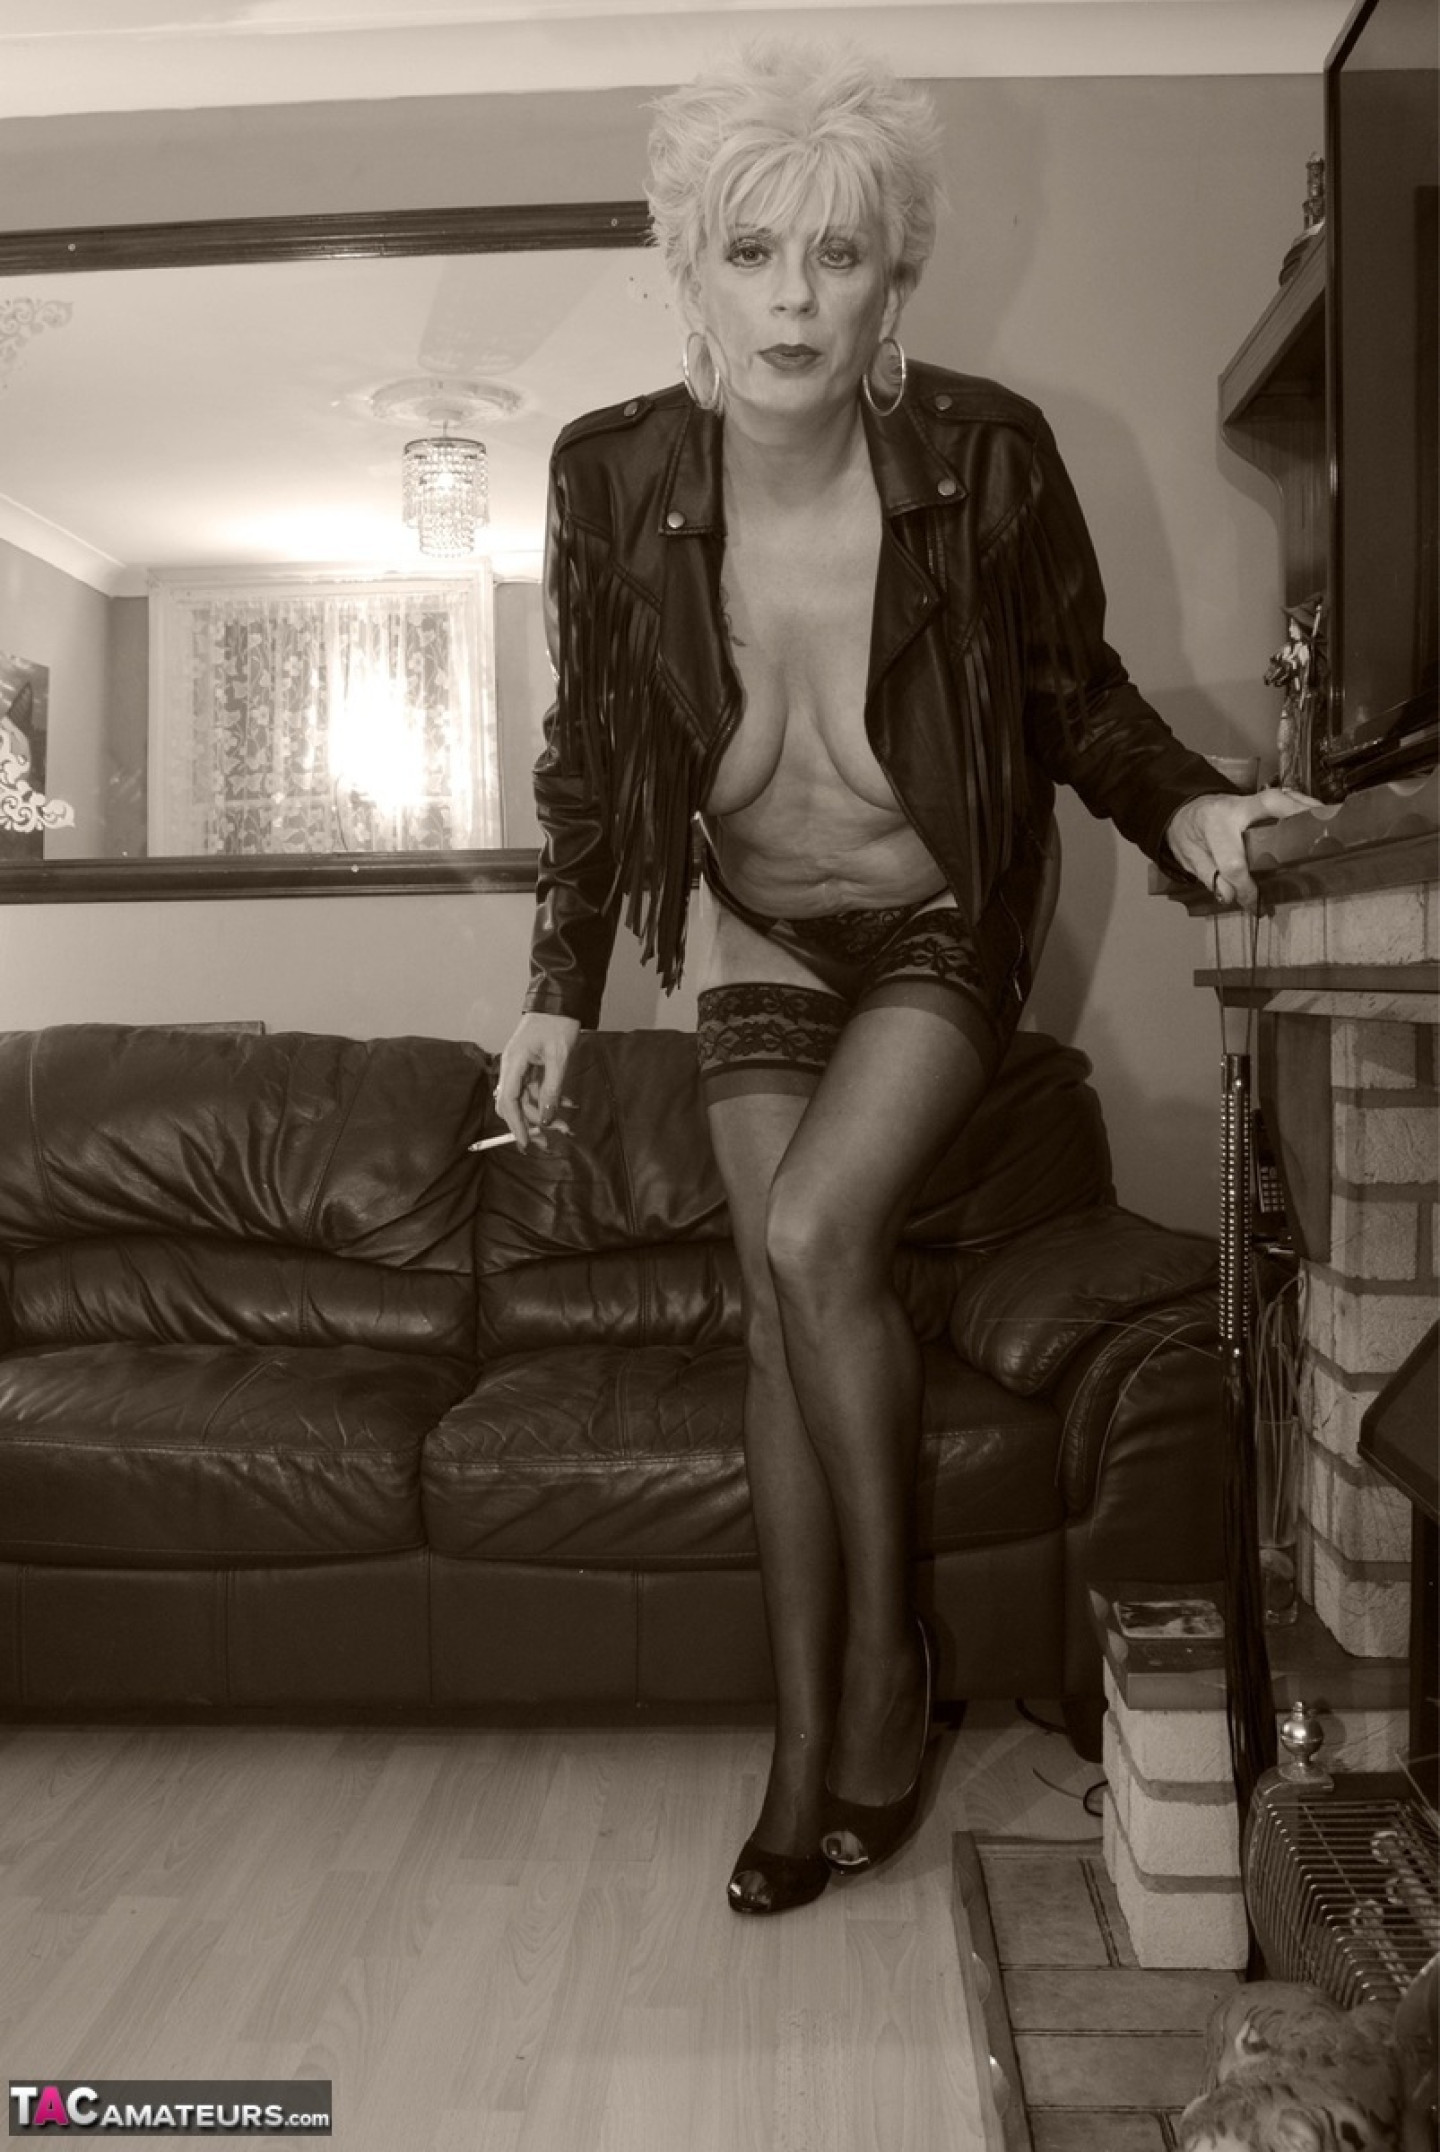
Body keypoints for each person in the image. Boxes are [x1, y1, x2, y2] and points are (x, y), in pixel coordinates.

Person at [494, 41, 1317, 1915]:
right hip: (754, 921)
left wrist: (1190, 807)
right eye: (753, 252)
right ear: (690, 273)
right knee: (783, 1306)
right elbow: (588, 752)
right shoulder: (606, 477)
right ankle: (814, 1734)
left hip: (942, 913)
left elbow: (1080, 698)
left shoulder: (985, 457)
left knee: (808, 1237)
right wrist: (556, 984)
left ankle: (884, 1670)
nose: (794, 300)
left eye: (839, 255)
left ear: (896, 283)